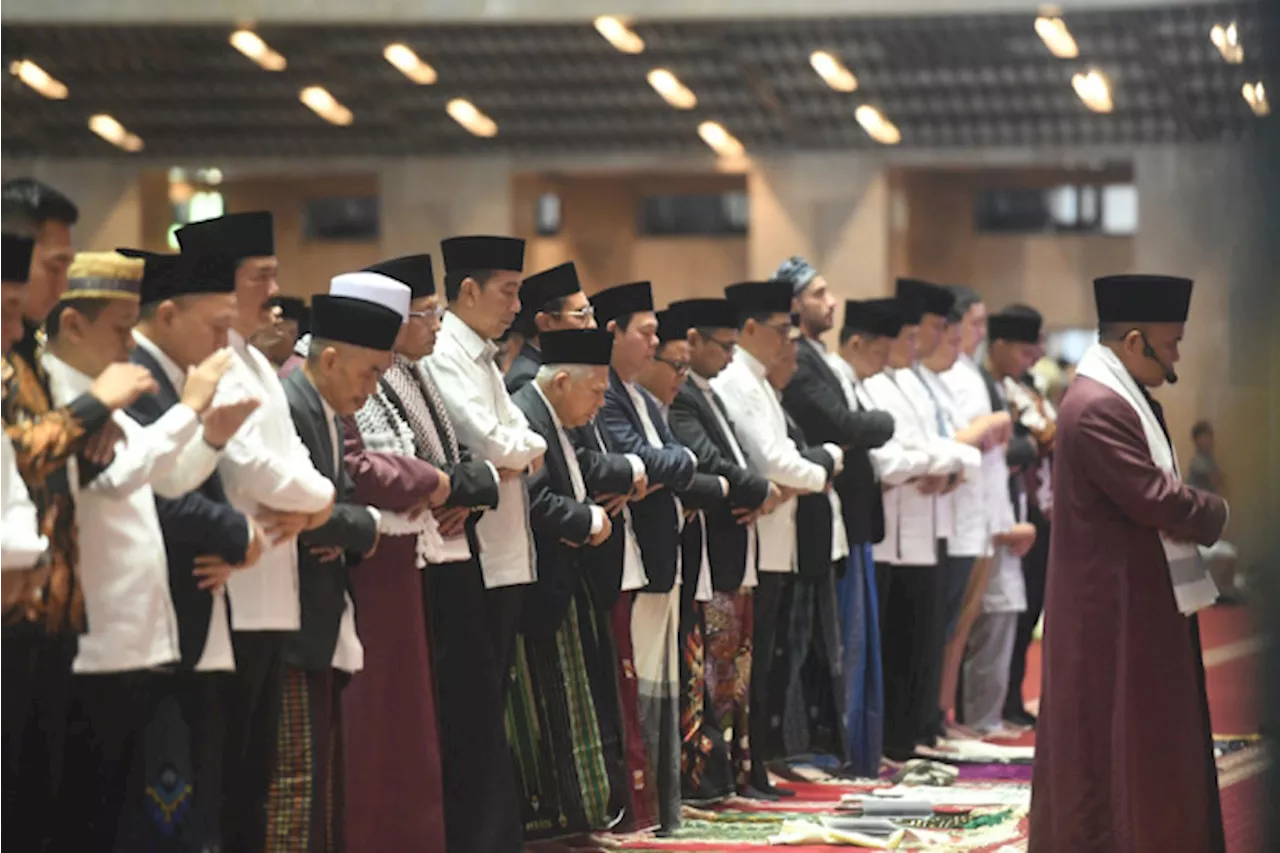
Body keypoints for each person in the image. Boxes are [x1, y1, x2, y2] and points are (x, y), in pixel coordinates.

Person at [40, 252, 251, 851]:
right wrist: (188, 410)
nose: (130, 344)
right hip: (95, 643)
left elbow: (161, 475)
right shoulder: (66, 400)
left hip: (138, 640)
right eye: (117, 328)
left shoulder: (100, 394)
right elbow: (114, 476)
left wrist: (208, 435)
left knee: (148, 811)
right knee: (101, 818)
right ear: (73, 326)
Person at [1030, 274, 1229, 853]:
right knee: (1111, 737)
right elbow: (1154, 497)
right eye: (1171, 347)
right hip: (1109, 604)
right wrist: (1221, 512)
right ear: (1135, 341)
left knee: (1143, 734)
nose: (1176, 359)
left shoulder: (1123, 396)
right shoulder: (1097, 406)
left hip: (1135, 593)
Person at [343, 254, 521, 853]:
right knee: (434, 715)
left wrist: (463, 487)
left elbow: (464, 463)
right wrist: (456, 483)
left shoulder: (419, 374)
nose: (437, 326)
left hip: (451, 550)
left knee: (470, 709)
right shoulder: (376, 381)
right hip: (407, 566)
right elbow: (403, 465)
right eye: (426, 315)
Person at [0, 184, 157, 850]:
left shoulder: (26, 348)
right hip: (15, 611)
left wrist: (87, 445)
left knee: (55, 809)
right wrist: (93, 408)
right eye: (54, 264)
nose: (61, 281)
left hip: (56, 605)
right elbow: (22, 451)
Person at [176, 211, 338, 853]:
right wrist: (311, 503)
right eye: (261, 278)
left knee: (255, 773)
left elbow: (301, 462)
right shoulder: (212, 361)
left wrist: (315, 504)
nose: (274, 293)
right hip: (230, 587)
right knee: (222, 772)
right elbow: (251, 467)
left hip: (274, 583)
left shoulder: (255, 362)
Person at [121, 248, 264, 850]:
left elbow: (185, 480)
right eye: (215, 325)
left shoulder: (177, 377)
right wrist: (240, 536)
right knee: (154, 790)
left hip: (190, 605)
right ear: (169, 315)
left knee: (188, 788)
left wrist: (235, 542)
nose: (224, 341)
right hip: (149, 613)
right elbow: (159, 497)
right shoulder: (137, 379)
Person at [268, 282, 407, 851]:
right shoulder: (291, 403)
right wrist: (363, 526)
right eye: (370, 373)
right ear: (329, 358)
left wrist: (346, 525)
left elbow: (337, 506)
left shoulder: (324, 406)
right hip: (288, 620)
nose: (372, 389)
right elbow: (312, 514)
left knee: (320, 775)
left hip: (319, 610)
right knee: (295, 782)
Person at [334, 257, 451, 852]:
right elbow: (359, 467)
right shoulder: (320, 378)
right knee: (373, 718)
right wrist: (433, 478)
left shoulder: (388, 376)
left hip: (398, 563)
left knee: (404, 719)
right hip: (365, 568)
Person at [712, 280, 837, 795]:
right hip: (754, 537)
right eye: (780, 330)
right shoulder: (736, 380)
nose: (788, 342)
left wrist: (808, 471)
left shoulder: (761, 381)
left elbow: (787, 465)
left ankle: (758, 762)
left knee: (770, 660)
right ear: (747, 330)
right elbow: (770, 463)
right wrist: (823, 467)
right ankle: (749, 766)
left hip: (777, 538)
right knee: (752, 664)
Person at [594, 280, 711, 830]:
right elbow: (642, 458)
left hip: (664, 559)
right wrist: (669, 462)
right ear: (612, 332)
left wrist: (668, 463)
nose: (654, 343)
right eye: (646, 332)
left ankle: (664, 808)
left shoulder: (640, 397)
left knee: (665, 685)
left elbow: (673, 462)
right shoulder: (608, 395)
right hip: (632, 562)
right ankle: (639, 810)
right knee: (639, 687)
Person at [775, 257, 895, 767]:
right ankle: (814, 753)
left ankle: (851, 753)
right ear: (794, 303)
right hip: (815, 523)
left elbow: (850, 424)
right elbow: (839, 422)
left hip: (847, 522)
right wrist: (878, 422)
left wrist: (866, 424)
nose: (832, 302)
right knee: (817, 646)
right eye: (819, 293)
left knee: (845, 649)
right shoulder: (797, 361)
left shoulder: (817, 358)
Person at [508, 328, 623, 837]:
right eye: (596, 391)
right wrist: (588, 521)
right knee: (553, 702)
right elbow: (532, 498)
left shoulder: (559, 414)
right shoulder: (525, 412)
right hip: (542, 583)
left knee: (580, 697)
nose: (601, 403)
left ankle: (583, 811)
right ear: (559, 382)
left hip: (572, 579)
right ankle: (558, 815)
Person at [861, 279, 979, 761]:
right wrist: (940, 461)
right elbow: (894, 459)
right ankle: (894, 737)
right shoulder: (872, 384)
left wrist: (946, 466)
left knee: (924, 637)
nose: (913, 346)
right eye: (907, 337)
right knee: (896, 640)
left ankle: (915, 732)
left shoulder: (909, 381)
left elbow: (942, 448)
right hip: (891, 528)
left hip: (925, 523)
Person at [426, 234, 547, 695]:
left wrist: (518, 453)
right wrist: (515, 456)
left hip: (505, 547)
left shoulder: (482, 354)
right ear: (470, 291)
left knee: (494, 690)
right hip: (474, 549)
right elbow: (495, 444)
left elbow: (530, 439)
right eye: (509, 291)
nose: (516, 306)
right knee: (472, 698)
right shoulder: (445, 352)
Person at [667, 297, 775, 799]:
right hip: (714, 544)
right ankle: (712, 775)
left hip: (735, 545)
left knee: (738, 668)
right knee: (714, 668)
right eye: (725, 346)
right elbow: (707, 462)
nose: (732, 357)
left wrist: (756, 487)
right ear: (692, 341)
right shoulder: (684, 396)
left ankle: (736, 770)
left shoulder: (708, 393)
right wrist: (759, 489)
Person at [938, 289, 1033, 736]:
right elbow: (953, 440)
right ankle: (939, 716)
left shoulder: (971, 374)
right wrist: (988, 428)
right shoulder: (949, 374)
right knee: (954, 626)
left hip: (983, 517)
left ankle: (946, 717)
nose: (979, 332)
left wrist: (1002, 522)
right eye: (974, 324)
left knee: (965, 624)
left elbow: (992, 461)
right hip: (956, 513)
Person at [827, 297, 903, 775]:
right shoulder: (834, 376)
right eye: (880, 351)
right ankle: (849, 752)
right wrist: (875, 429)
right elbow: (848, 429)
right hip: (843, 524)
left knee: (861, 644)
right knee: (848, 645)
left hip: (861, 524)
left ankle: (862, 751)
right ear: (856, 343)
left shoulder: (855, 382)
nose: (886, 362)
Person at [959, 307, 1041, 737]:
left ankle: (995, 712)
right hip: (983, 521)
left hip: (1008, 516)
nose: (1034, 357)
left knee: (1007, 617)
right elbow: (992, 455)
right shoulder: (974, 383)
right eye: (1027, 350)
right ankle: (976, 720)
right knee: (978, 626)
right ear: (1001, 346)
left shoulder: (1016, 388)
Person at [505, 261, 597, 393]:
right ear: (545, 322)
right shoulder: (526, 378)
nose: (592, 325)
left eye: (590, 313)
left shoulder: (562, 366)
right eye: (581, 315)